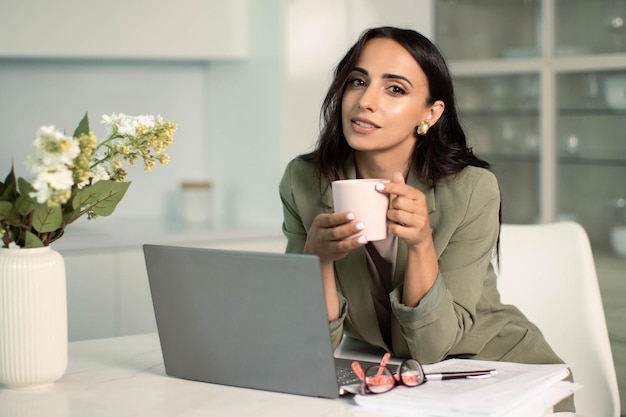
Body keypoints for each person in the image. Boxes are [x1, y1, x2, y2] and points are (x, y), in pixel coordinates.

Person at [279, 26, 573, 411]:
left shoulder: (471, 188)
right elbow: (308, 345)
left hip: (495, 369)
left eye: (395, 89)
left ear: (430, 113)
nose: (366, 100)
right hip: (399, 377)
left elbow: (434, 346)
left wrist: (420, 244)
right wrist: (316, 259)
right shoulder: (303, 181)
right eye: (357, 81)